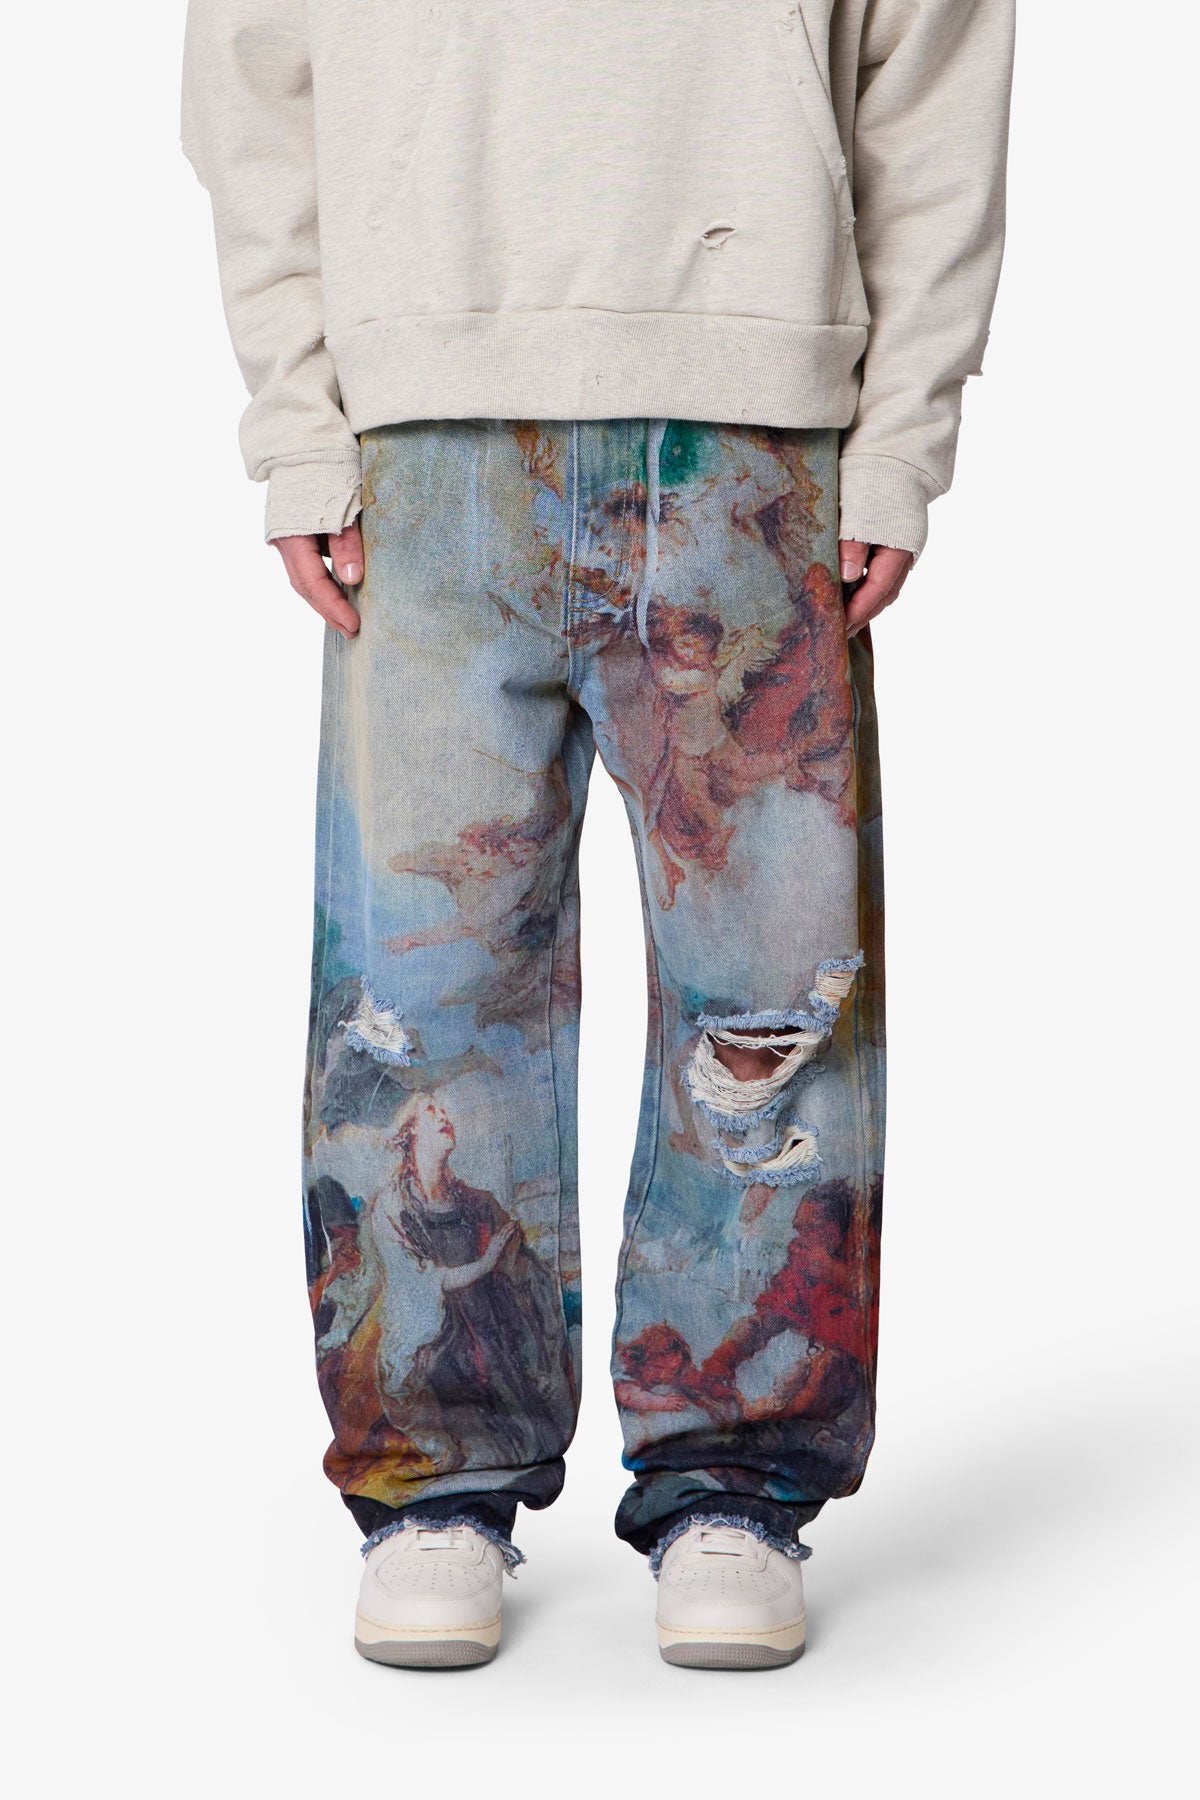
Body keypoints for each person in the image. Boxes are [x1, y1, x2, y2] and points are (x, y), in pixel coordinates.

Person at [182, 0, 1014, 1670]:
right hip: (425, 437)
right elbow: (254, 72)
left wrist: (903, 437)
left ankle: (738, 1481)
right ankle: (434, 1484)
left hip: (758, 429)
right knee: (422, 991)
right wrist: (298, 422)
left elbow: (932, 72)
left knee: (771, 1002)